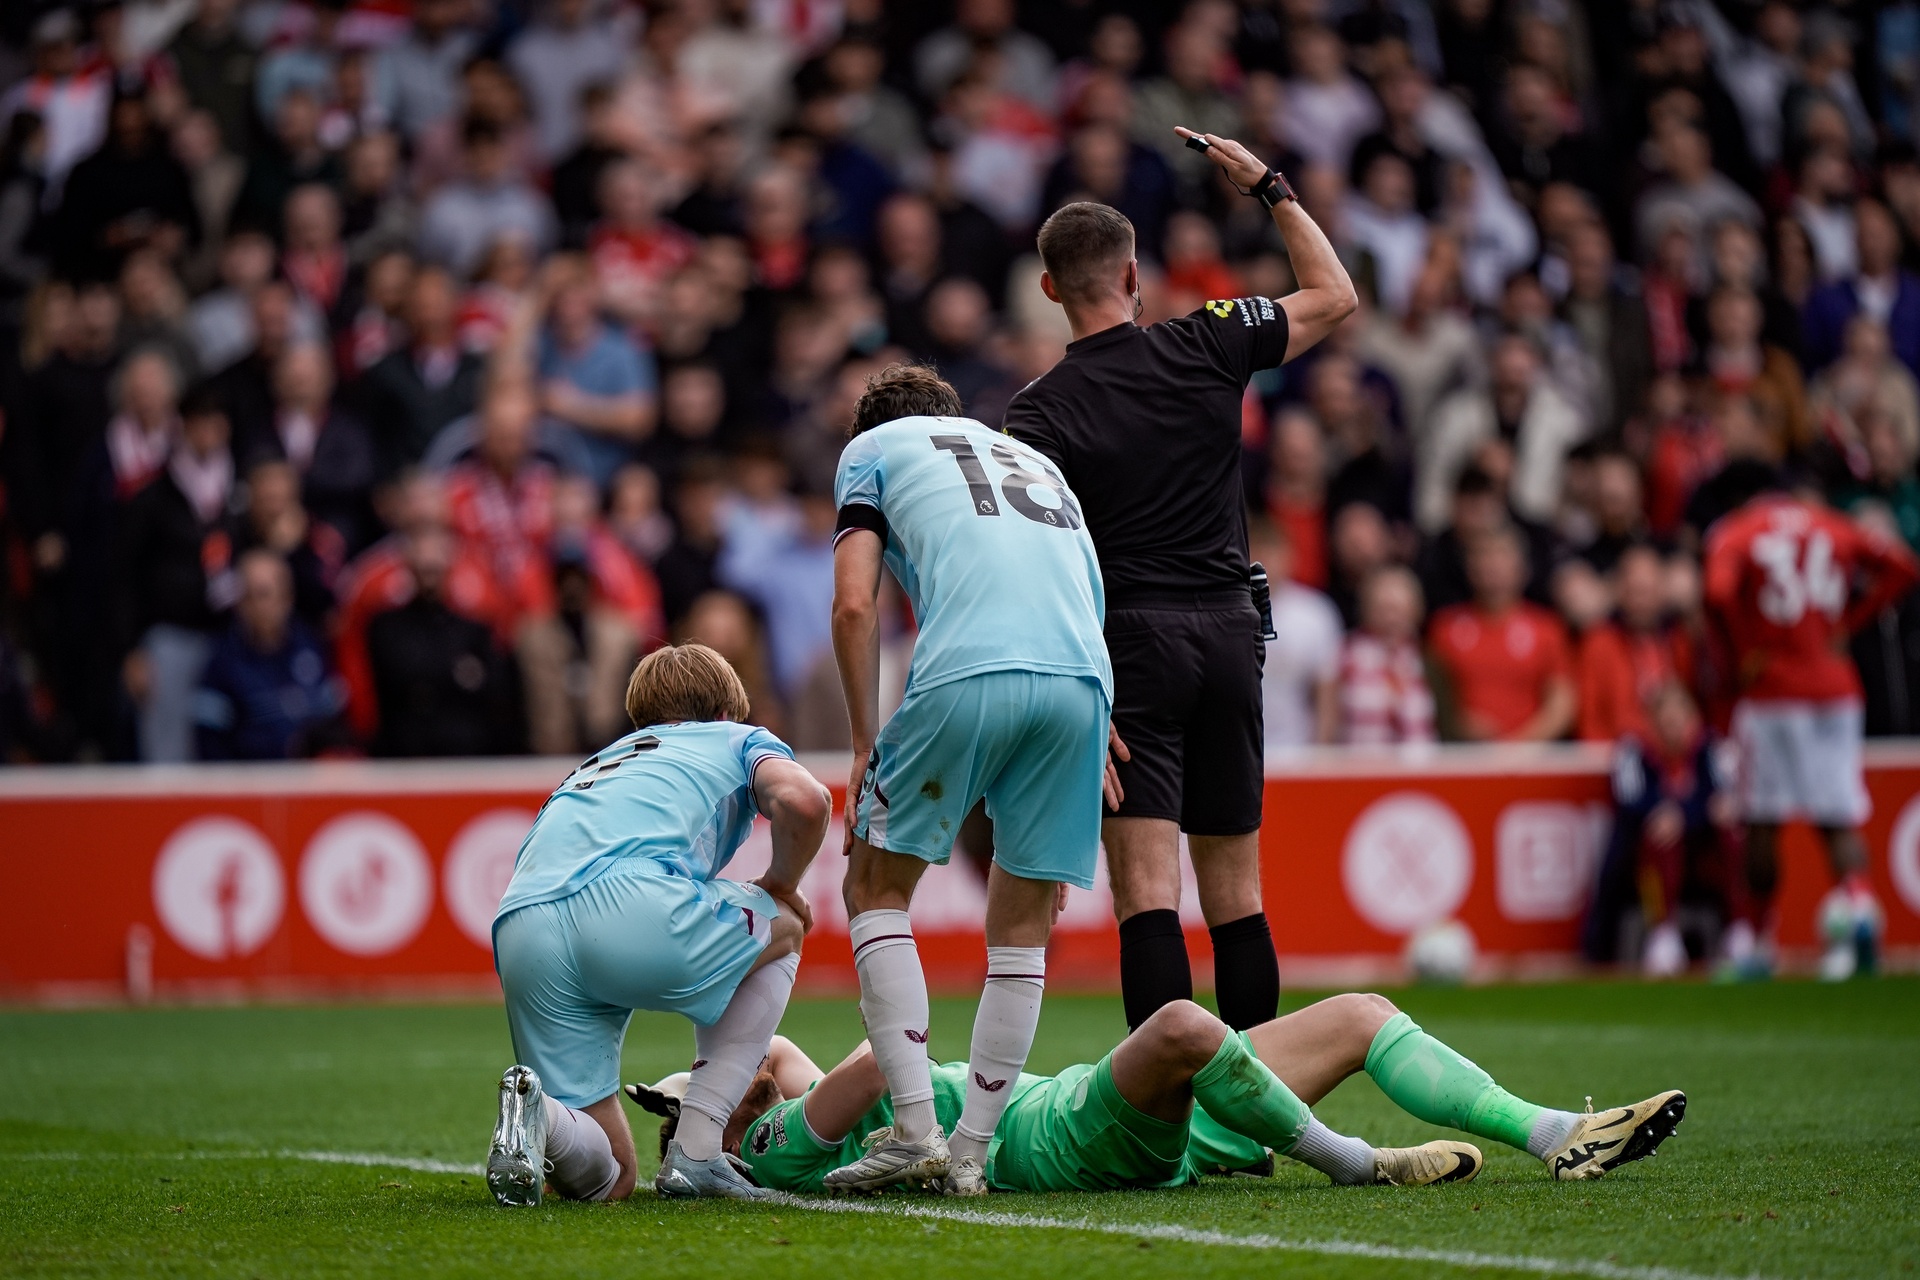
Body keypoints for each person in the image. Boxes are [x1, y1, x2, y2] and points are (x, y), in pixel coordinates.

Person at [1002, 125, 1356, 1036]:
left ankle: (1165, 1120)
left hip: (1130, 647)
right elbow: (1335, 296)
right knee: (1236, 894)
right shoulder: (1208, 340)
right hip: (1232, 634)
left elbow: (1041, 564)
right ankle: (1259, 1117)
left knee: (1147, 897)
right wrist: (1269, 186)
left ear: (1049, 292)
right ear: (1133, 278)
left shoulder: (1036, 413)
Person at [827, 363, 1111, 1197]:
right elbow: (1089, 601)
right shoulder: (1034, 460)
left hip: (970, 666)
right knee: (1023, 923)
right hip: (1083, 683)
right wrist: (1100, 730)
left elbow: (853, 605)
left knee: (874, 885)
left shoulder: (871, 451)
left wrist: (861, 739)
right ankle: (971, 1156)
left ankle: (914, 1131)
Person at [643, 993, 1684, 1194]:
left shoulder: (792, 1132)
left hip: (1082, 1110)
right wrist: (760, 1071)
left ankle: (1558, 1130)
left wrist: (748, 1066)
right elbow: (867, 1063)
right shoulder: (774, 1147)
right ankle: (1357, 1161)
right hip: (1056, 1139)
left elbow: (781, 1052)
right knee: (1186, 1023)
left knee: (1362, 1013)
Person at [486, 642, 830, 1206]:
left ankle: (541, 1114)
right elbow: (807, 801)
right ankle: (697, 1151)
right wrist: (782, 882)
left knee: (611, 1177)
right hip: (624, 902)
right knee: (786, 923)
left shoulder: (599, 761)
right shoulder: (737, 738)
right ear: (727, 712)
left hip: (522, 923)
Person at [1702, 487, 1920, 979]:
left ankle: (1758, 945)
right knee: (1837, 816)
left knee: (1762, 818)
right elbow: (1905, 567)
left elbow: (1717, 591)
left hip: (1773, 689)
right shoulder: (1834, 524)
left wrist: (1744, 648)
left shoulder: (1741, 530)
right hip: (1835, 686)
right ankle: (1861, 912)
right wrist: (1849, 622)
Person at [1428, 525, 1577, 742]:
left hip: (1530, 761)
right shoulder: (1444, 628)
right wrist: (1455, 724)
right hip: (1462, 757)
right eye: (1484, 555)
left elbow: (1562, 702)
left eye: (1502, 555)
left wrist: (1522, 747)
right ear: (1469, 567)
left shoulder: (1547, 628)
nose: (1493, 565)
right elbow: (1429, 697)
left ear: (1523, 567)